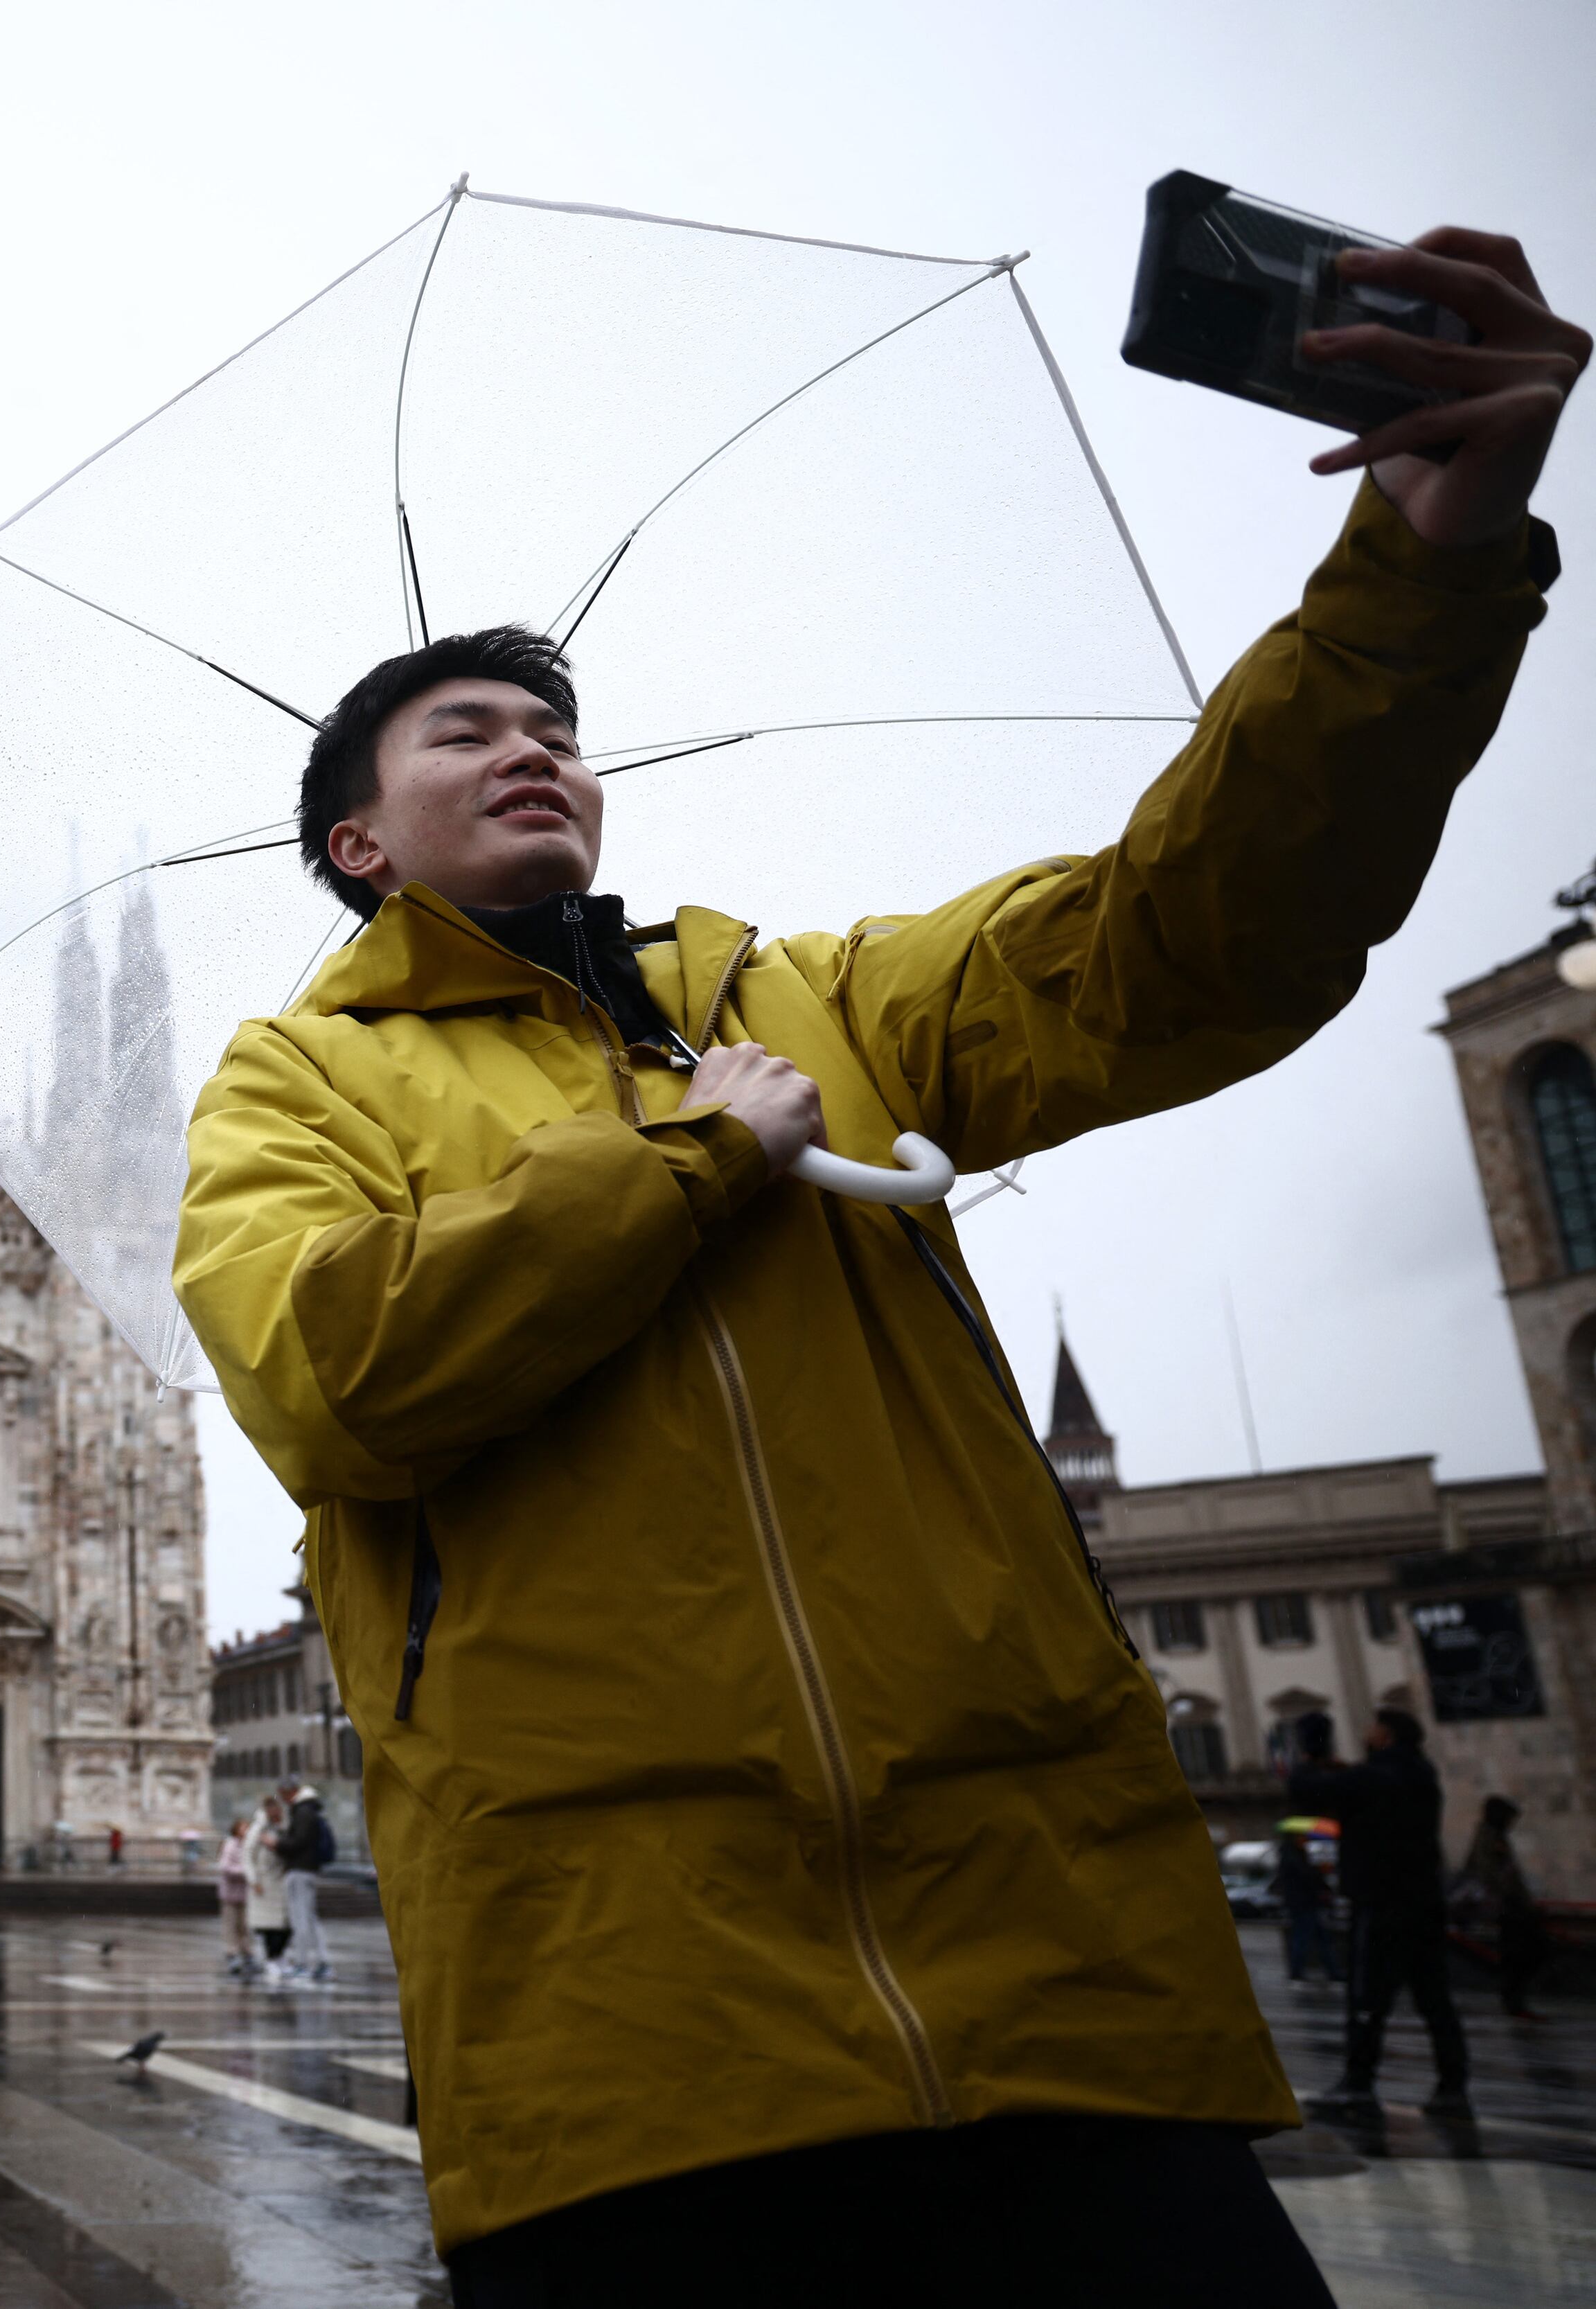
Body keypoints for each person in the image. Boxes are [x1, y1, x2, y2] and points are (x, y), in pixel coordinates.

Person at [173, 222, 1575, 2298]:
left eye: (550, 722)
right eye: (462, 730)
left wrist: (1420, 568)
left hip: (1053, 1979)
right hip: (636, 2034)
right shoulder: (297, 1083)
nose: (529, 744)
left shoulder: (811, 999)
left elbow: (1190, 935)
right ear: (354, 841)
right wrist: (685, 1152)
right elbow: (335, 1379)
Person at [1290, 1707, 1471, 2113]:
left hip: (1380, 1900)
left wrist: (1311, 1755)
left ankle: (1358, 2082)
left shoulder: (1373, 1777)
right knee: (1434, 1997)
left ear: (1386, 1735)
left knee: (1366, 1998)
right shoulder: (1421, 1774)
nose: (1366, 1733)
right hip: (1424, 1900)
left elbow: (1306, 1791)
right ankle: (1453, 2084)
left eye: (1372, 1728)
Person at [1457, 1794, 1548, 2022]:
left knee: (1519, 1955)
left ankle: (1515, 2000)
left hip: (1511, 1906)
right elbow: (1494, 1874)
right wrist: (1514, 1899)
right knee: (1519, 1955)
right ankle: (1514, 2001)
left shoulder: (1493, 1837)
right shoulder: (1490, 1838)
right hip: (1509, 1908)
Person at [277, 1779, 335, 1984]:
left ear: (290, 1791)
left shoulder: (302, 1812)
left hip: (300, 1869)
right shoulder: (311, 1810)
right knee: (310, 1917)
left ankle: (302, 1964)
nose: (282, 1800)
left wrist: (277, 1843)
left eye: (283, 1795)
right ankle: (322, 1962)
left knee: (300, 1918)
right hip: (308, 1869)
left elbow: (299, 1842)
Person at [1273, 1828, 1339, 1986]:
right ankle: (1301, 1971)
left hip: (1305, 1903)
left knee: (1318, 1938)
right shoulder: (1294, 1858)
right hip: (1304, 1903)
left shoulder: (1295, 1856)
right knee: (1306, 1937)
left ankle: (1331, 1971)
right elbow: (1306, 1877)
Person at [245, 1793, 292, 1976]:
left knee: (286, 1925)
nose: (275, 1811)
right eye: (271, 1808)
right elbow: (248, 1855)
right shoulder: (258, 1828)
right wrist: (253, 1880)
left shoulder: (286, 1825)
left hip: (283, 1880)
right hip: (264, 1882)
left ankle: (279, 1956)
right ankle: (272, 1958)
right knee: (268, 1926)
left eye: (277, 1807)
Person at [215, 1814, 256, 1979]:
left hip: (246, 1893)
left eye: (248, 1828)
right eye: (243, 1827)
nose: (245, 1831)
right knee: (231, 1924)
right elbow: (225, 1866)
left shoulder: (251, 1846)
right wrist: (246, 1873)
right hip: (231, 1891)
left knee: (245, 1925)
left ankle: (247, 1952)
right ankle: (232, 1953)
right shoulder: (230, 1844)